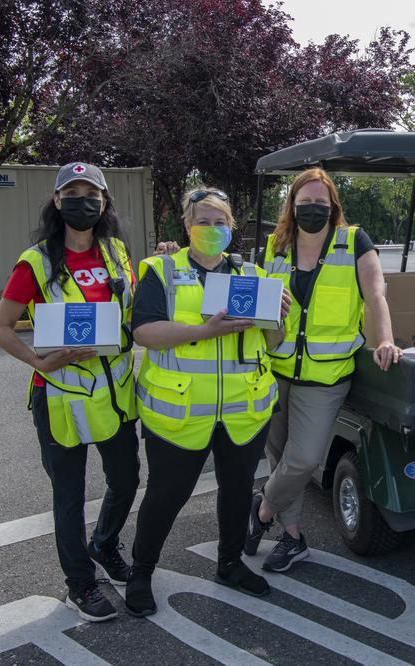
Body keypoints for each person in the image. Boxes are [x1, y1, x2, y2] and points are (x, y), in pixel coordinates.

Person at [125, 187, 290, 616]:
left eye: (220, 223)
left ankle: (230, 563)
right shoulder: (160, 270)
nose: (212, 230)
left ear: (232, 226)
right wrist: (203, 331)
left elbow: (273, 342)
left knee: (236, 493)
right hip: (179, 413)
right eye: (203, 221)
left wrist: (280, 316)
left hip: (243, 409)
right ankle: (142, 571)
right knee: (166, 495)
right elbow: (143, 332)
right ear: (186, 225)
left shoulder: (251, 274)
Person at [0, 163, 140, 622]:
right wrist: (38, 361)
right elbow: (0, 328)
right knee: (70, 497)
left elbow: (131, 311)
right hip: (59, 396)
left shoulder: (116, 252)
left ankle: (104, 546)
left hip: (114, 394)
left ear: (104, 201)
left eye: (90, 192)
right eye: (71, 192)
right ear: (57, 202)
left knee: (127, 480)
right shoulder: (36, 261)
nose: (82, 200)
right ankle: (80, 583)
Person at [245, 167, 400, 572]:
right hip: (275, 369)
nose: (313, 208)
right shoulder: (275, 247)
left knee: (305, 459)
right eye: (305, 202)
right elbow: (261, 305)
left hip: (325, 376)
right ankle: (293, 537)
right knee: (279, 461)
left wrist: (383, 339)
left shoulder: (353, 242)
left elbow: (376, 296)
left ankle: (261, 512)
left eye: (320, 201)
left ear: (333, 205)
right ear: (292, 205)